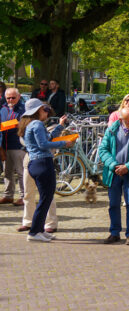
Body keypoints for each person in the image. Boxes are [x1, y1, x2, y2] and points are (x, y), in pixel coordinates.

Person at [18, 99, 72, 241]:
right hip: (42, 162)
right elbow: (44, 144)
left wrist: (60, 126)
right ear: (38, 111)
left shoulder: (30, 124)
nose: (47, 113)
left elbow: (47, 138)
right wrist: (64, 143)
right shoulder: (36, 124)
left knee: (45, 198)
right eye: (45, 110)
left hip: (35, 163)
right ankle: (34, 232)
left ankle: (39, 230)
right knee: (45, 198)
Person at [99, 107, 129, 245]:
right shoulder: (112, 130)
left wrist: (128, 167)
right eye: (128, 121)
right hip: (114, 172)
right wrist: (114, 165)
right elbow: (103, 149)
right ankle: (114, 233)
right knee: (113, 204)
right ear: (121, 120)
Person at [1, 88, 26, 207]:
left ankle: (24, 196)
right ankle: (8, 195)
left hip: (18, 145)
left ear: (19, 96)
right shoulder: (3, 109)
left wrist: (16, 124)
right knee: (7, 172)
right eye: (8, 98)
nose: (10, 100)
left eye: (13, 97)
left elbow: (25, 124)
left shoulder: (23, 109)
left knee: (21, 172)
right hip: (5, 145)